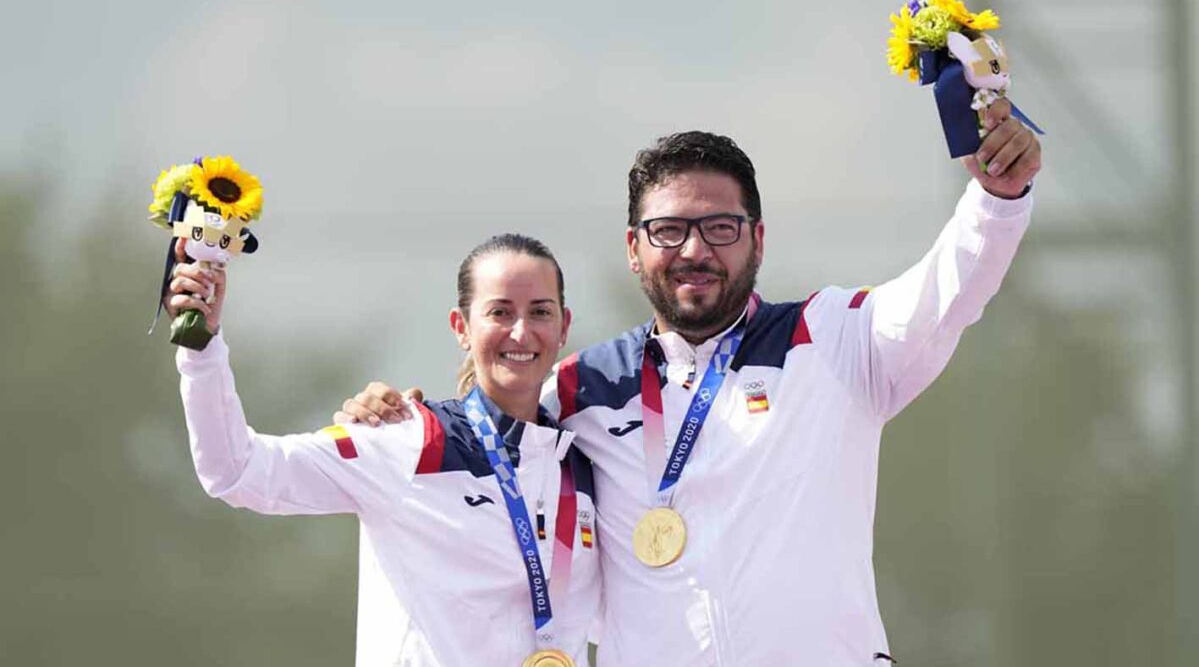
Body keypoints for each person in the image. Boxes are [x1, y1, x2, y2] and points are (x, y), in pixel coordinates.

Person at [338, 99, 1042, 665]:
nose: (695, 251)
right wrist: (395, 413)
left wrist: (997, 200)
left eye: (720, 227)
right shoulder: (580, 386)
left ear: (757, 239)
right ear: (633, 249)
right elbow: (488, 430)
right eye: (669, 230)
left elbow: (951, 286)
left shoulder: (834, 339)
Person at [167, 233, 600, 667]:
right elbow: (236, 470)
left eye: (539, 312)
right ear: (461, 328)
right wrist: (201, 349)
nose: (521, 331)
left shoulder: (583, 462)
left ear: (563, 326)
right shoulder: (407, 438)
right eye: (500, 312)